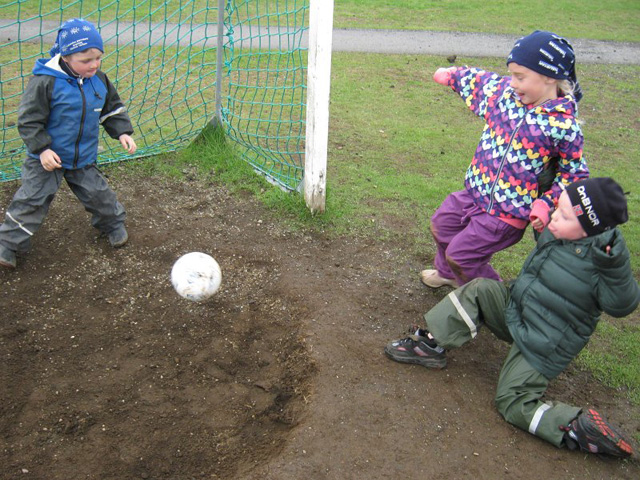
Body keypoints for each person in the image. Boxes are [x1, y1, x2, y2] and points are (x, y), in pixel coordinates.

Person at [385, 177, 639, 458]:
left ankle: (574, 426)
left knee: (512, 401)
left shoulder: (607, 260)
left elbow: (622, 305)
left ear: (590, 229)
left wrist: (613, 266)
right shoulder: (560, 232)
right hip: (516, 307)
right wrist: (543, 218)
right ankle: (431, 345)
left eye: (564, 215)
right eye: (558, 208)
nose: (555, 217)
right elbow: (549, 254)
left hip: (543, 342)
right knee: (479, 289)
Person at [421, 30, 588, 289]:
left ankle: (498, 298)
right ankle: (448, 274)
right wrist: (453, 75)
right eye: (511, 74)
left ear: (549, 77)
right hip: (474, 193)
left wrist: (545, 203)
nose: (512, 82)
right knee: (442, 225)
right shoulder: (504, 98)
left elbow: (573, 175)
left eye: (520, 77)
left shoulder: (563, 126)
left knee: (462, 256)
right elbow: (481, 81)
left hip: (506, 214)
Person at [0, 18, 136, 269]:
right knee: (32, 200)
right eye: (86, 60)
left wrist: (122, 132)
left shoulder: (99, 80)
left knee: (100, 195)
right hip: (46, 159)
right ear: (66, 56)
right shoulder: (45, 82)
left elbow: (112, 109)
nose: (94, 65)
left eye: (98, 58)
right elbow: (29, 121)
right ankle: (8, 243)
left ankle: (112, 225)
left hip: (82, 157)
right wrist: (42, 149)